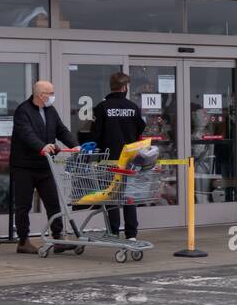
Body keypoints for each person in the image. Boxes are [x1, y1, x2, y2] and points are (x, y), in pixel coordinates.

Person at [10, 81, 78, 254]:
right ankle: (23, 241)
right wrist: (41, 146)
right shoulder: (23, 111)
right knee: (23, 205)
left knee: (53, 202)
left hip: (45, 165)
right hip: (24, 166)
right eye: (50, 92)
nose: (52, 96)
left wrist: (75, 145)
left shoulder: (50, 110)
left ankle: (58, 239)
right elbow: (26, 133)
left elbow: (61, 130)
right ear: (41, 95)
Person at [91, 73, 145, 243]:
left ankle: (113, 232)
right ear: (124, 88)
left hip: (109, 161)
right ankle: (131, 234)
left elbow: (95, 135)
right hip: (128, 161)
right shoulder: (133, 107)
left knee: (112, 196)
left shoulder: (102, 108)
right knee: (129, 197)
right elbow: (139, 132)